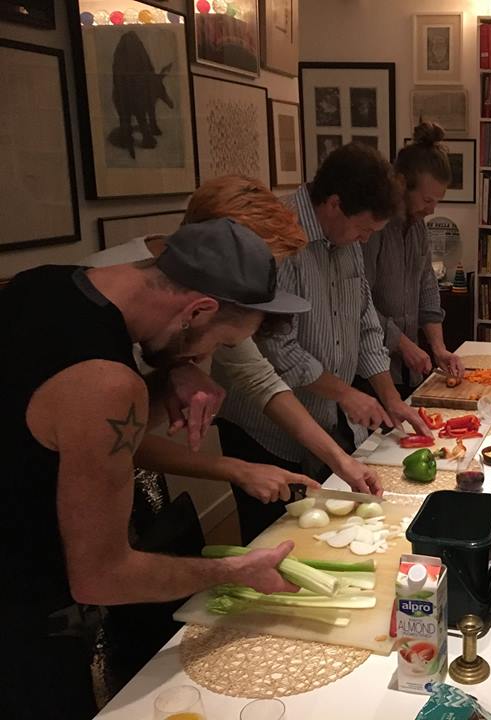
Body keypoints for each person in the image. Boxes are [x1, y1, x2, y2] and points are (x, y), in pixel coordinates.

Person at [1, 219, 311, 719]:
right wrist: (236, 571)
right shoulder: (106, 383)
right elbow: (102, 577)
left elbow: (70, 434)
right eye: (218, 344)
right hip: (25, 621)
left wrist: (173, 371)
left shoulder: (44, 283)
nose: (206, 358)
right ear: (198, 310)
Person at [86, 177, 382, 546]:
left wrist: (341, 460)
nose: (265, 282)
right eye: (260, 266)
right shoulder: (103, 307)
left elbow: (259, 377)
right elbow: (104, 437)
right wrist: (237, 469)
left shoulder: (202, 296)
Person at [217, 144, 433, 542]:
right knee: (270, 541)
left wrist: (391, 398)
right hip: (262, 430)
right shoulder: (278, 236)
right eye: (364, 229)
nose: (365, 240)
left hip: (319, 417)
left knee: (320, 532)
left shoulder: (347, 240)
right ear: (334, 205)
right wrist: (346, 393)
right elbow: (277, 349)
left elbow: (366, 323)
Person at [362, 122, 464, 396]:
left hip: (407, 369)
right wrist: (402, 343)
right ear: (402, 185)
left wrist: (439, 348)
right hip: (372, 370)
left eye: (437, 202)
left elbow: (427, 286)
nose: (432, 210)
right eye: (427, 200)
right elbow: (359, 302)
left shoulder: (417, 227)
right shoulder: (373, 229)